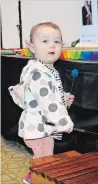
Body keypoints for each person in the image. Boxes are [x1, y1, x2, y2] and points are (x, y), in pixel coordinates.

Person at [8, 22, 74, 184]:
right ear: (32, 46)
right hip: (37, 129)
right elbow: (48, 102)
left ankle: (31, 177)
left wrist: (62, 98)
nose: (52, 45)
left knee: (43, 159)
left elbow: (43, 96)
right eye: (45, 41)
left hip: (39, 127)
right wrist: (62, 120)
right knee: (46, 163)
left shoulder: (41, 68)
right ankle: (36, 179)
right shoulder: (39, 73)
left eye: (57, 41)